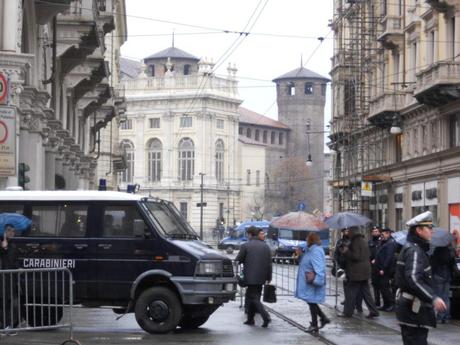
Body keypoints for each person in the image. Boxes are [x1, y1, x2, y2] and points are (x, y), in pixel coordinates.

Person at [395, 211, 446, 345]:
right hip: (414, 311)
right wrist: (433, 297)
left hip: (412, 311)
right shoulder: (414, 250)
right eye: (429, 228)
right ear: (418, 230)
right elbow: (413, 279)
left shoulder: (414, 248)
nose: (432, 231)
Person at [235, 226, 272, 328]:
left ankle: (266, 316)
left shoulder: (246, 246)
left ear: (250, 235)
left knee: (253, 297)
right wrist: (269, 277)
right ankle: (250, 319)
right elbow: (269, 264)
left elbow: (238, 260)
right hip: (262, 277)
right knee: (253, 296)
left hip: (250, 277)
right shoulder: (266, 246)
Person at [339, 227, 379, 318]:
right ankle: (373, 311)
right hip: (364, 270)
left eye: (348, 231)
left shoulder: (356, 241)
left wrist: (346, 251)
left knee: (350, 292)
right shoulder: (363, 240)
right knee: (366, 292)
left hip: (357, 272)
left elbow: (356, 256)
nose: (347, 232)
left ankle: (347, 312)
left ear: (352, 231)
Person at [295, 232, 330, 333]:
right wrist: (300, 254)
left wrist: (317, 281)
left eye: (307, 238)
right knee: (311, 302)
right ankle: (322, 318)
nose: (306, 240)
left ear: (311, 240)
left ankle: (315, 324)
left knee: (312, 302)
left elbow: (319, 267)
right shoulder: (309, 250)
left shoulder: (316, 251)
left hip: (312, 282)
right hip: (308, 282)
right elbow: (305, 261)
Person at [430, 243, 457, 323]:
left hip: (438, 275)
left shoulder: (438, 250)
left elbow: (433, 264)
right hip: (447, 276)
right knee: (446, 297)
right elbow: (452, 264)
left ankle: (440, 317)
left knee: (439, 297)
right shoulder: (451, 251)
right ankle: (447, 317)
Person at [374, 227, 397, 312]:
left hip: (386, 270)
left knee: (385, 288)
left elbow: (389, 257)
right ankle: (386, 304)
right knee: (382, 287)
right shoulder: (385, 242)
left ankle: (391, 304)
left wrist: (383, 268)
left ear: (388, 234)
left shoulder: (391, 243)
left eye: (383, 234)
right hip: (380, 269)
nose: (381, 236)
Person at [369, 225, 382, 307]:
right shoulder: (370, 242)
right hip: (372, 266)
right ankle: (377, 301)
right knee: (374, 285)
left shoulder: (381, 242)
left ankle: (384, 301)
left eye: (376, 231)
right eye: (373, 231)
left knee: (382, 285)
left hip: (380, 266)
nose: (375, 233)